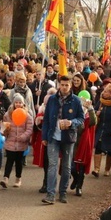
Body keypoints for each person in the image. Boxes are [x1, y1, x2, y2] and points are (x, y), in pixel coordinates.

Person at [40, 76, 85, 204]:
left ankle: (63, 192)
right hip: (53, 136)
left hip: (68, 137)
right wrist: (44, 137)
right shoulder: (52, 99)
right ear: (59, 85)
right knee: (52, 165)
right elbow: (47, 119)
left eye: (67, 85)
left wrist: (71, 122)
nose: (64, 87)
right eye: (62, 85)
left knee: (66, 166)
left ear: (70, 85)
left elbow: (81, 119)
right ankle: (50, 194)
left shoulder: (75, 100)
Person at [0, 94, 32, 189]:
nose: (18, 104)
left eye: (20, 102)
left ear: (23, 104)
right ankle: (5, 178)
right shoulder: (7, 115)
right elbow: (4, 127)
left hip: (21, 143)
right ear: (13, 103)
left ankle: (18, 178)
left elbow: (29, 129)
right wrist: (4, 131)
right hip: (10, 141)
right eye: (16, 102)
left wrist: (23, 137)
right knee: (9, 160)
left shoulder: (27, 115)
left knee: (18, 161)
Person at [93, 83, 111, 178]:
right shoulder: (101, 101)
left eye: (106, 91)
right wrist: (95, 113)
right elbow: (94, 110)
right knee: (98, 148)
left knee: (110, 150)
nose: (103, 93)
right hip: (101, 129)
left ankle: (107, 169)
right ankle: (96, 169)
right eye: (104, 91)